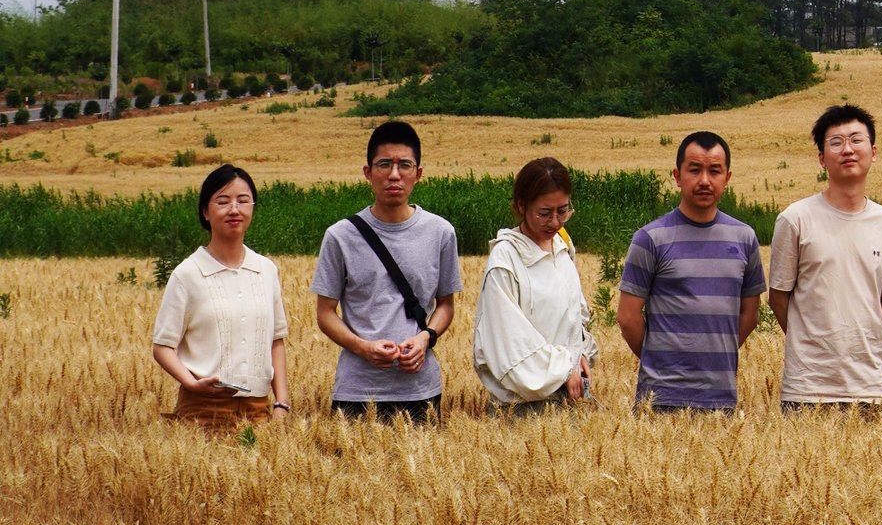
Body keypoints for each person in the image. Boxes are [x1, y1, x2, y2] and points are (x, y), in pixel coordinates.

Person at [313, 120, 461, 424]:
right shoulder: (340, 236)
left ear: (418, 174)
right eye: (384, 164)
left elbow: (446, 304)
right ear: (368, 172)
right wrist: (363, 348)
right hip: (356, 390)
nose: (394, 174)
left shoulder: (440, 232)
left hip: (420, 391)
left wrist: (425, 339)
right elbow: (324, 312)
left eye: (404, 165)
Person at [767, 103, 882, 414]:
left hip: (869, 386)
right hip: (807, 387)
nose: (848, 149)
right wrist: (811, 339)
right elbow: (778, 296)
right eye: (836, 142)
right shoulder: (795, 219)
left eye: (856, 140)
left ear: (874, 151)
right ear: (821, 159)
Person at [620, 131, 762, 412]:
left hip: (721, 398)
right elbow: (627, 316)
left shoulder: (745, 238)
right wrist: (660, 361)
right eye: (695, 170)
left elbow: (750, 314)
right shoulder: (650, 238)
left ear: (727, 178)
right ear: (677, 176)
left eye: (714, 171)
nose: (705, 181)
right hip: (660, 400)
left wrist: (716, 356)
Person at [151, 162, 289, 432]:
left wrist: (281, 402)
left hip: (259, 411)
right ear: (205, 212)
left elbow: (276, 341)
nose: (234, 209)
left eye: (243, 200)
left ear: (253, 207)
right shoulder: (188, 274)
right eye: (223, 201)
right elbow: (162, 347)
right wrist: (191, 383)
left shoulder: (266, 270)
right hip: (203, 410)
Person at [472, 157, 595, 412]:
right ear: (521, 206)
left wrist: (580, 354)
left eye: (563, 210)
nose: (555, 222)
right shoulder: (505, 259)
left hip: (569, 398)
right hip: (522, 407)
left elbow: (574, 315)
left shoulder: (562, 246)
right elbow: (510, 342)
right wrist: (563, 369)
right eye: (544, 213)